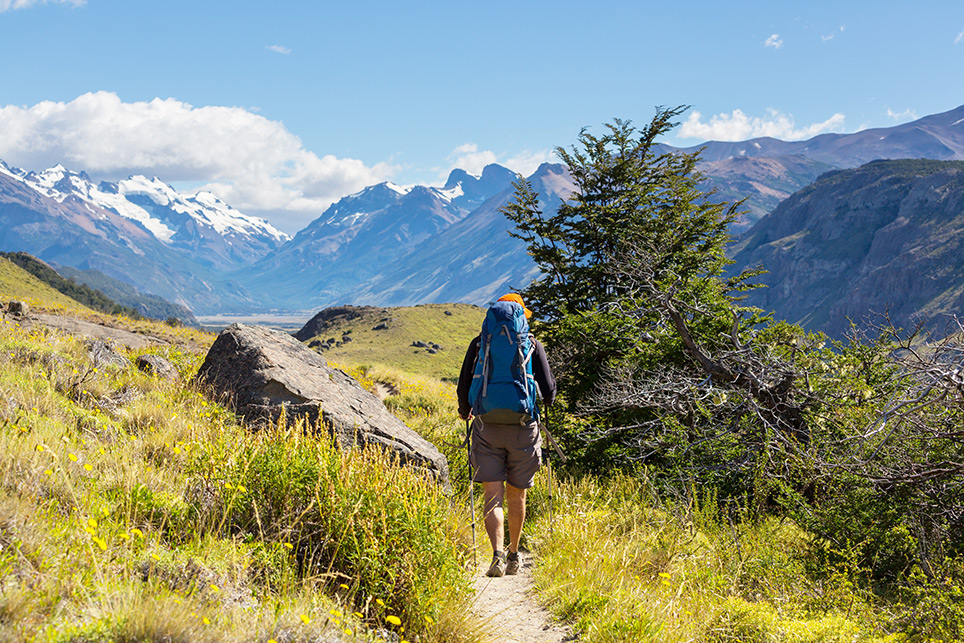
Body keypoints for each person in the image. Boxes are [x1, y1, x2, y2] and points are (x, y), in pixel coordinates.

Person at [457, 293, 556, 577]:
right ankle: (514, 556)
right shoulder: (532, 344)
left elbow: (464, 385)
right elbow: (549, 390)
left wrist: (465, 410)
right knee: (517, 495)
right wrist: (545, 400)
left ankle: (496, 556)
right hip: (523, 428)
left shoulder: (480, 344)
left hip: (487, 426)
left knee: (492, 495)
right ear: (520, 316)